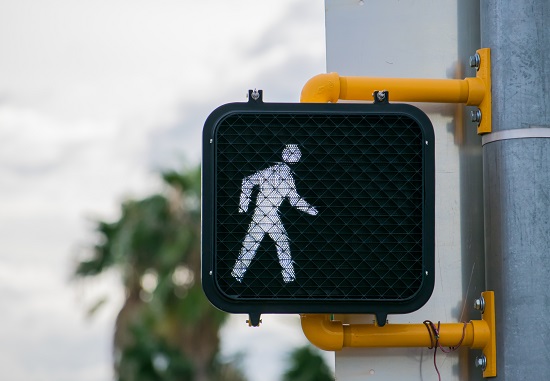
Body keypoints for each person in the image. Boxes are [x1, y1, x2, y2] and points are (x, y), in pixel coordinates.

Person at [231, 144, 318, 283]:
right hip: (263, 214)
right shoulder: (272, 172)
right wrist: (243, 208)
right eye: (294, 154)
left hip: (269, 215)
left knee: (266, 244)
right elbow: (247, 181)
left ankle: (237, 275)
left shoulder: (285, 176)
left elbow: (294, 200)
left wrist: (311, 210)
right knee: (264, 244)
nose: (296, 157)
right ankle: (288, 279)